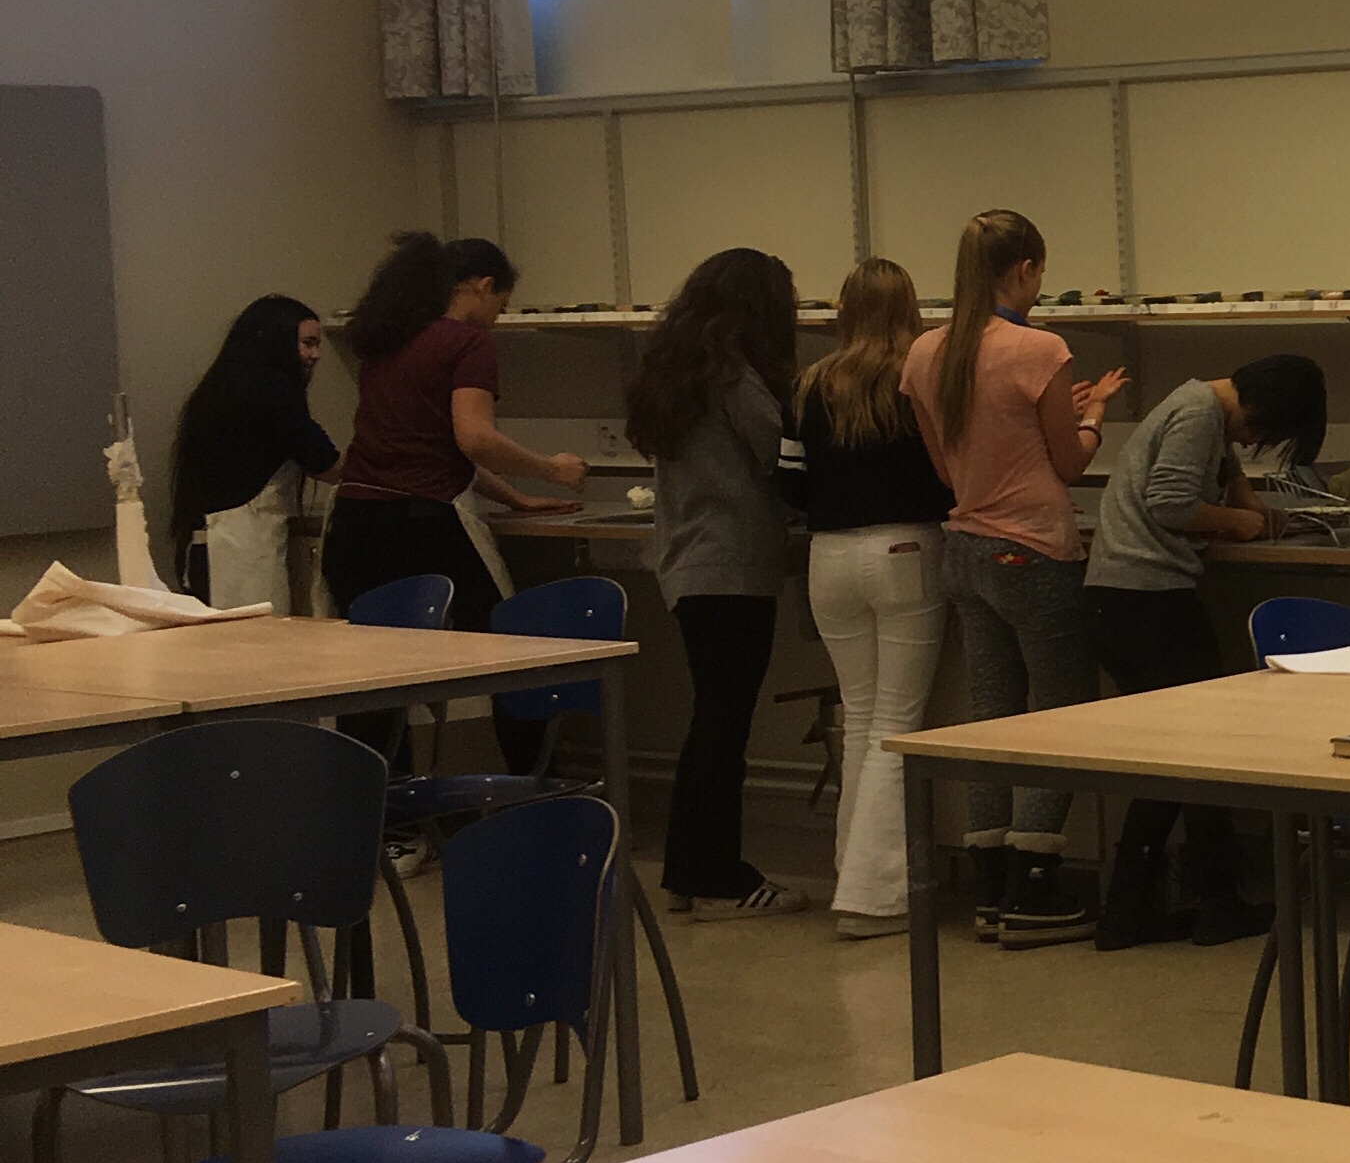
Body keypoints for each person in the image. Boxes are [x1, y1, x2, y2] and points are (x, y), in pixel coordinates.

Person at [904, 210, 1123, 947]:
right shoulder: (1039, 348)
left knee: (992, 713)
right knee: (1059, 713)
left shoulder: (926, 352)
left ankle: (992, 885)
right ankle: (1036, 886)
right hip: (1032, 548)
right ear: (1025, 269)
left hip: (965, 549)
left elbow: (948, 469)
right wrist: (1093, 413)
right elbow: (1070, 464)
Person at [1083, 355, 1328, 952]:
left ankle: (1144, 906)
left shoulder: (1201, 407)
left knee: (1175, 755)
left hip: (1126, 599)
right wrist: (1236, 523)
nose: (1251, 442)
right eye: (1260, 433)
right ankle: (1207, 903)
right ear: (1258, 410)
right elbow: (1169, 504)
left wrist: (1254, 508)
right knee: (1195, 753)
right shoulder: (1198, 415)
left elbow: (1225, 470)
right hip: (1147, 599)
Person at [324, 234, 587, 770]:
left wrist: (514, 496)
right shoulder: (467, 344)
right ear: (484, 287)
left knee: (372, 680)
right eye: (500, 306)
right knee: (510, 656)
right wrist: (551, 469)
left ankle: (384, 807)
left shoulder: (388, 339)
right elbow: (474, 438)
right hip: (423, 526)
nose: (495, 319)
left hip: (354, 524)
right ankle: (536, 785)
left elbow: (430, 447)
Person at [785, 258, 956, 943]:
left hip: (828, 557)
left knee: (858, 721)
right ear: (909, 308)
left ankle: (850, 877)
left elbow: (788, 483)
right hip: (905, 550)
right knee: (896, 722)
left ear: (845, 310)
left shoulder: (809, 384)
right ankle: (876, 898)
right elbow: (949, 472)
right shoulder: (919, 378)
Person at [626, 248, 802, 916]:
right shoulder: (734, 377)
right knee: (724, 729)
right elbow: (781, 454)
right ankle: (717, 874)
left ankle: (688, 870)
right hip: (733, 569)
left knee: (712, 722)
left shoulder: (675, 373)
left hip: (689, 565)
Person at [163, 294, 335, 609]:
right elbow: (323, 460)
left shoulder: (221, 387)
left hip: (206, 545)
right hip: (239, 549)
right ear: (279, 343)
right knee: (257, 635)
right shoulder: (273, 391)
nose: (316, 355)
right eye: (308, 343)